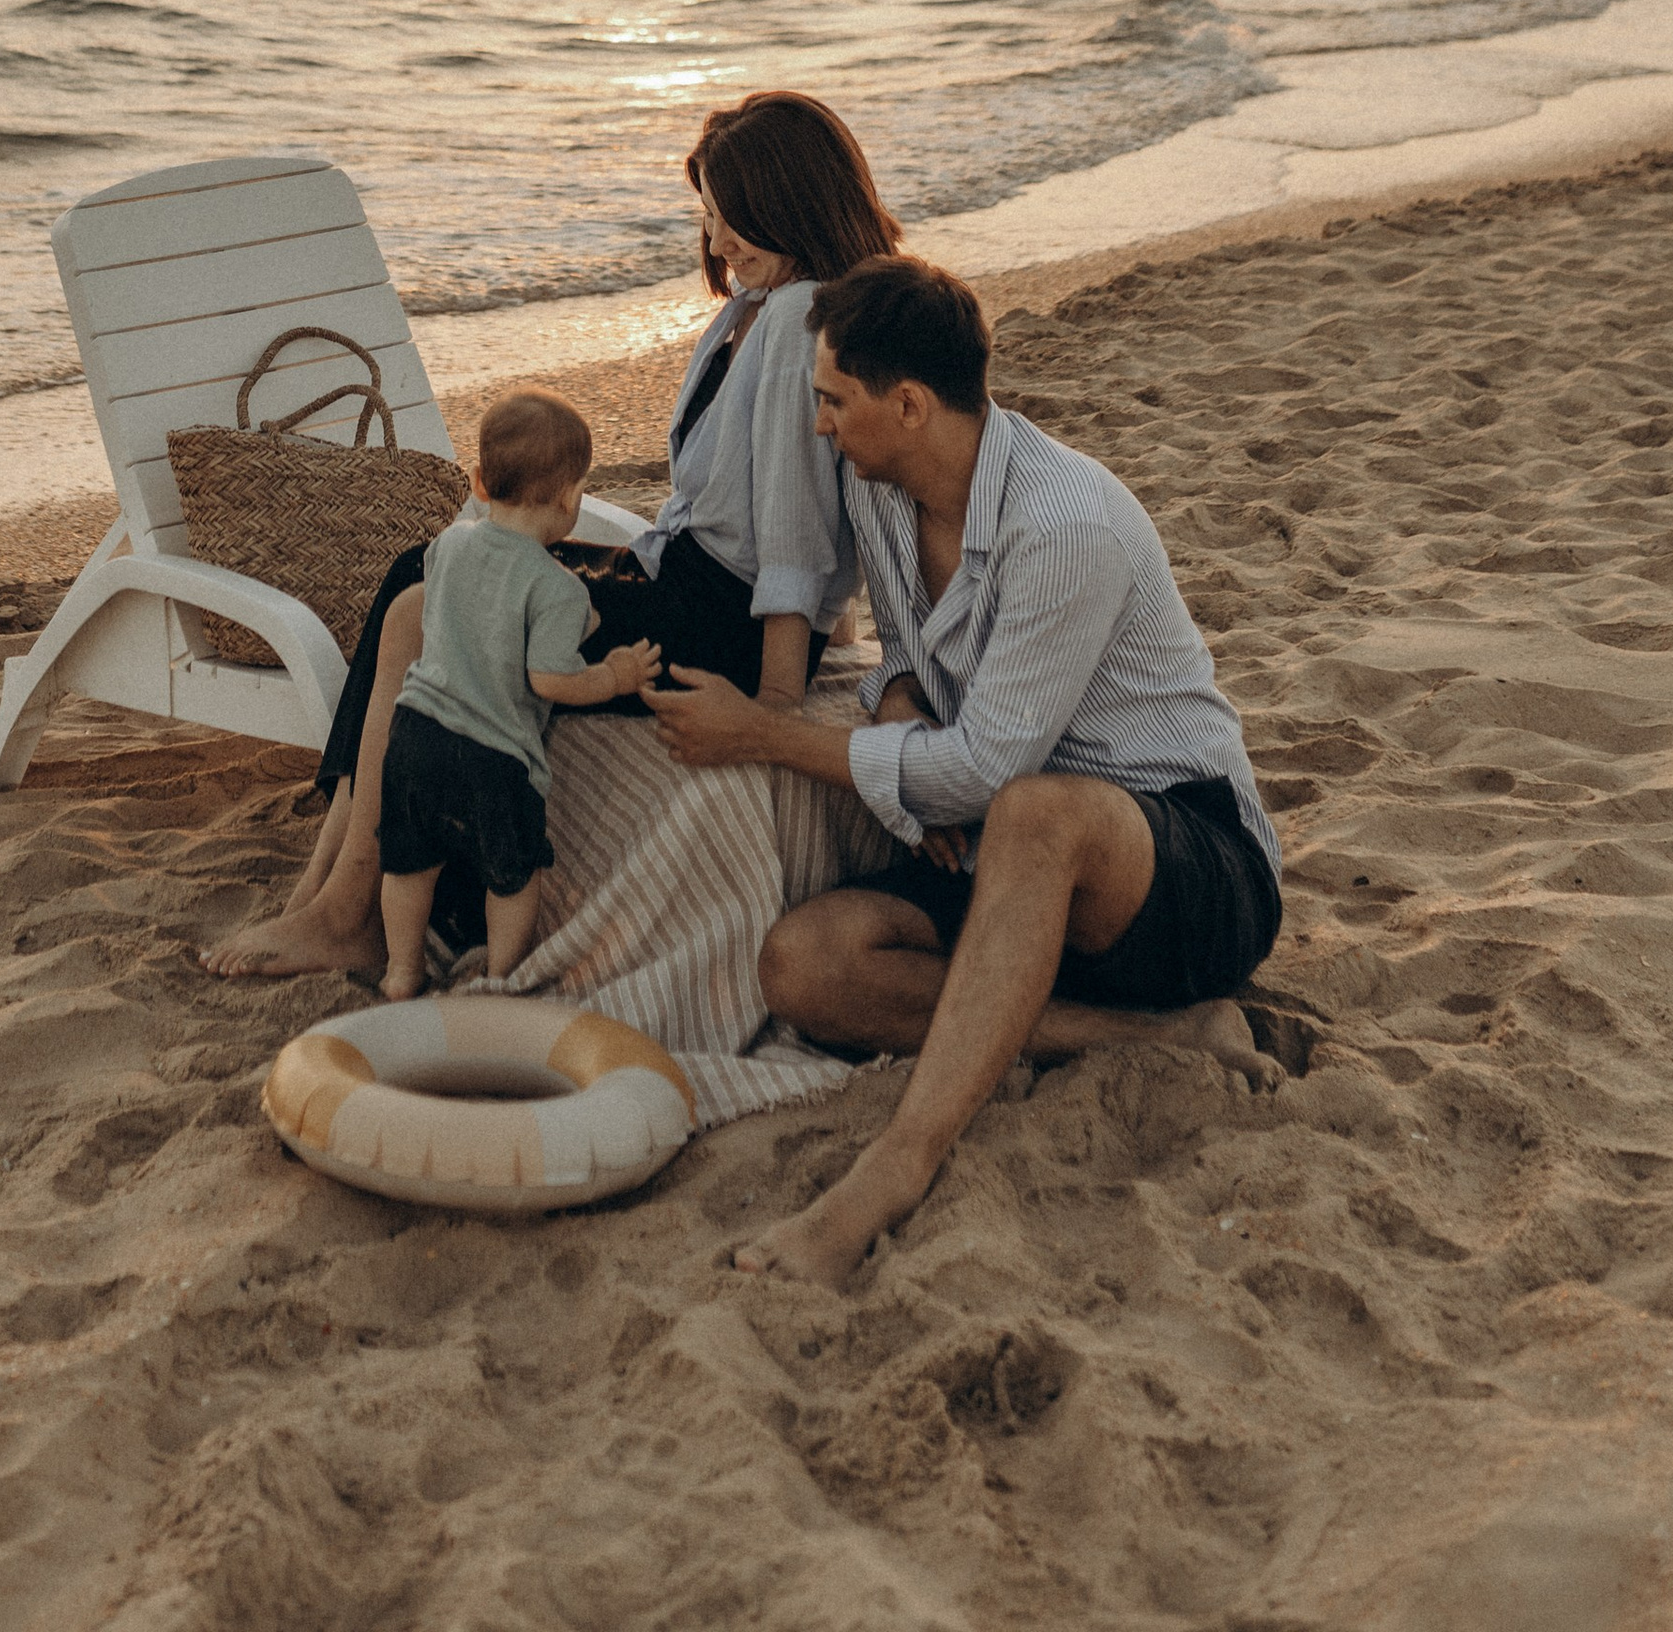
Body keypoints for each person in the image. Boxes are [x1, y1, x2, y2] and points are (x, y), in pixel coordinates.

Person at [646, 252, 1283, 1290]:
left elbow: (987, 771)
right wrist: (904, 716)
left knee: (1032, 809)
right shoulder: (887, 495)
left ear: (907, 405)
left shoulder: (1063, 526)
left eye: (831, 401)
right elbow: (903, 663)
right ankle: (1149, 1037)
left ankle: (892, 1169)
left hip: (1181, 864)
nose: (818, 425)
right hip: (1015, 874)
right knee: (802, 965)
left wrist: (763, 734)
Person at [200, 90, 899, 981]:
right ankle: (330, 895)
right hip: (672, 572)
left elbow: (798, 533)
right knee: (427, 563)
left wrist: (775, 702)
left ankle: (346, 912)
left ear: (793, 203)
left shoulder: (802, 319)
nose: (718, 243)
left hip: (714, 615)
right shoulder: (749, 313)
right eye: (711, 218)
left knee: (427, 605)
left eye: (735, 220)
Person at [376, 388, 661, 1001]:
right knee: (513, 875)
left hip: (414, 731)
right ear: (568, 500)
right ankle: (504, 976)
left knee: (408, 864)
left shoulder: (448, 546)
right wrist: (613, 675)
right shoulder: (559, 590)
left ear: (478, 481)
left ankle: (401, 970)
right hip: (492, 754)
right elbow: (550, 680)